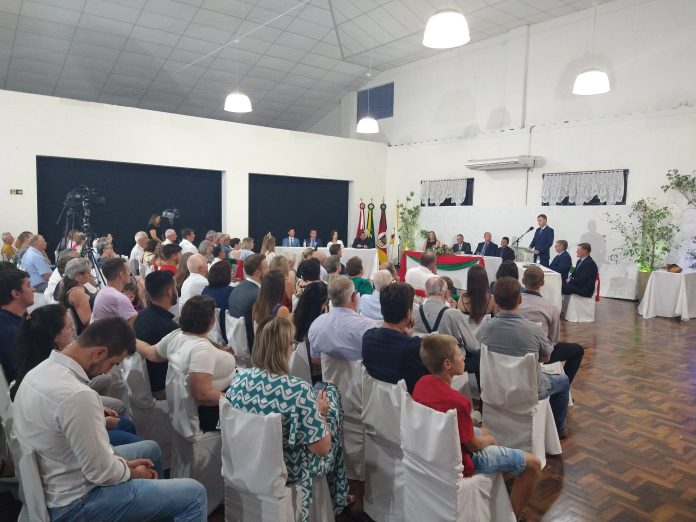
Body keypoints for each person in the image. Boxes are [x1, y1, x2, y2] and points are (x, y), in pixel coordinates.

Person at [13, 316, 208, 520]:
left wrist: (123, 465)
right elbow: (100, 473)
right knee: (194, 494)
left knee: (150, 450)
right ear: (99, 353)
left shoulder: (39, 372)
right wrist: (134, 473)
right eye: (112, 363)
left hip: (54, 479)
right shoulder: (77, 395)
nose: (107, 371)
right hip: (74, 504)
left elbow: (91, 455)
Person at [226, 317, 348, 522]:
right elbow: (321, 449)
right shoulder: (297, 390)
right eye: (292, 343)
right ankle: (339, 499)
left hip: (244, 464)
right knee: (332, 420)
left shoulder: (239, 379)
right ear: (285, 348)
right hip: (289, 472)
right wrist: (322, 414)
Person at [413, 334, 541, 520]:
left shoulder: (421, 383)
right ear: (447, 364)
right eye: (459, 354)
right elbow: (472, 445)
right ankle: (512, 516)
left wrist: (486, 437)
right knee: (533, 464)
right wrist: (489, 441)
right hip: (463, 460)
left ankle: (499, 486)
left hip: (435, 447)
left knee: (485, 431)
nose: (463, 358)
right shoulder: (458, 401)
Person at [11, 305, 141, 446]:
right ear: (55, 336)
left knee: (122, 419)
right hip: (59, 442)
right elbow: (97, 460)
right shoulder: (68, 385)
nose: (73, 330)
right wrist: (100, 420)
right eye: (69, 327)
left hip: (51, 435)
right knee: (149, 447)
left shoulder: (44, 364)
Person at [477, 277, 570, 438]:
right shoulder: (534, 330)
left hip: (496, 386)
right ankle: (557, 429)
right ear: (520, 299)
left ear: (495, 301)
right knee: (563, 380)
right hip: (528, 391)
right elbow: (546, 358)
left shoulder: (485, 326)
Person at [136, 296, 236, 432]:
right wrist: (235, 398)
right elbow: (202, 395)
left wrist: (131, 339)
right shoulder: (202, 351)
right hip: (213, 411)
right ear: (212, 320)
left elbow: (151, 353)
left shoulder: (177, 336)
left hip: (186, 410)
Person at [521, 266, 585, 385]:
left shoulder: (514, 303)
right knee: (577, 350)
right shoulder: (551, 308)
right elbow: (553, 339)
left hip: (514, 350)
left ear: (523, 281)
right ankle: (564, 386)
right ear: (542, 283)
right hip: (539, 355)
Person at [362, 282, 429, 393]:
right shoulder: (415, 347)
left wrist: (404, 335)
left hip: (375, 400)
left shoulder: (368, 337)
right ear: (409, 313)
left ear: (382, 309)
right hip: (410, 401)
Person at [414, 277, 480, 389]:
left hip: (425, 361)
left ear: (426, 292)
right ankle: (482, 394)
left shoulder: (415, 311)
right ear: (446, 293)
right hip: (450, 363)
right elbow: (473, 346)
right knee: (478, 355)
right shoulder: (453, 314)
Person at [308, 277, 376, 366]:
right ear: (353, 296)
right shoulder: (369, 326)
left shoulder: (317, 323)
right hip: (360, 373)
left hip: (327, 374)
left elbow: (315, 360)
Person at [133, 271, 179, 398]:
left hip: (146, 382)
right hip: (164, 386)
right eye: (175, 287)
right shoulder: (170, 328)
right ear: (169, 291)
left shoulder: (141, 316)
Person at [0, 268, 34, 382]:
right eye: (29, 286)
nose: (33, 289)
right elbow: (26, 371)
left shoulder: (19, 316)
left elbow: (30, 321)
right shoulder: (10, 332)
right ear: (16, 293)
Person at [228, 253, 268, 349]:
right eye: (266, 268)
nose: (269, 271)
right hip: (252, 345)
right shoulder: (258, 295)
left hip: (237, 343)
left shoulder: (237, 288)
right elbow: (264, 326)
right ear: (257, 273)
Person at [292, 282, 329, 382]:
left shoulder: (293, 317)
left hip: (295, 370)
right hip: (316, 374)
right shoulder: (318, 325)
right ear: (322, 304)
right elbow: (316, 360)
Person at [91, 258, 137, 325]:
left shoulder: (103, 291)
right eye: (128, 271)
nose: (130, 273)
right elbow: (133, 325)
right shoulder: (118, 297)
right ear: (121, 274)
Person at [59, 258, 94, 334]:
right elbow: (87, 321)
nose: (91, 275)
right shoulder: (77, 293)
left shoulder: (82, 286)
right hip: (88, 333)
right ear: (78, 275)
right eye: (88, 273)